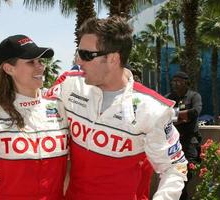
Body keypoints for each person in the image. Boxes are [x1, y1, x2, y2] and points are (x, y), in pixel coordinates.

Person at [46, 16, 187, 200]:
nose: (79, 61)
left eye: (86, 55)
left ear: (112, 59)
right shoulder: (69, 85)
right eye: (78, 53)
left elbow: (174, 166)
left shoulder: (151, 108)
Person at [0, 34, 69, 200]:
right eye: (30, 62)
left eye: (40, 61)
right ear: (9, 69)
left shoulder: (60, 105)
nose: (40, 66)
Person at [165, 71, 202, 200]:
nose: (175, 84)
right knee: (175, 175)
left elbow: (195, 111)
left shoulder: (194, 96)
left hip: (189, 142)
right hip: (173, 144)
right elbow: (164, 114)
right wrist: (182, 117)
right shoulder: (169, 98)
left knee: (187, 173)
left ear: (186, 83)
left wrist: (175, 115)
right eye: (173, 81)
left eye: (179, 81)